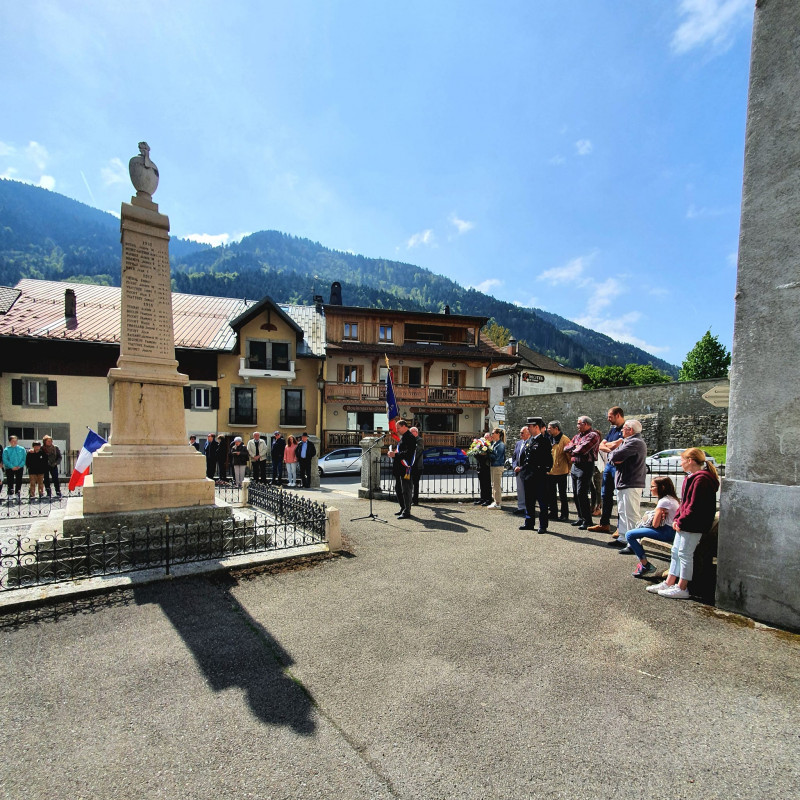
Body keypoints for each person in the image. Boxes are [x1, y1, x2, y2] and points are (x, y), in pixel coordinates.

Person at [648, 448, 720, 600]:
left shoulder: (702, 479)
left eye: (682, 460)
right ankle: (669, 582)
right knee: (676, 552)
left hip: (694, 524)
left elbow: (694, 506)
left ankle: (682, 587)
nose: (680, 463)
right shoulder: (692, 478)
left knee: (685, 554)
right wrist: (677, 519)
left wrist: (680, 520)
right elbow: (684, 503)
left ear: (690, 461)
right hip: (686, 523)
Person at [623, 476, 679, 577]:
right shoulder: (672, 499)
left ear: (661, 487)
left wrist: (657, 514)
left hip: (668, 532)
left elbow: (655, 525)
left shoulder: (664, 502)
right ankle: (643, 562)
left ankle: (645, 565)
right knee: (639, 529)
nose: (650, 489)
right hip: (672, 530)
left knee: (629, 535)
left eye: (653, 486)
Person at [607, 420, 648, 545]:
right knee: (623, 512)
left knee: (631, 514)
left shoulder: (635, 442)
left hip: (631, 482)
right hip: (624, 482)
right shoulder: (628, 442)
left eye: (624, 428)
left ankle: (633, 542)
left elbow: (613, 457)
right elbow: (614, 458)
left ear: (630, 430)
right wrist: (614, 456)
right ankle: (623, 537)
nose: (621, 431)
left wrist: (613, 455)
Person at [589, 407, 626, 533]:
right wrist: (613, 446)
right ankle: (604, 524)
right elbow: (601, 445)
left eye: (610, 416)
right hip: (609, 465)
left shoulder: (626, 429)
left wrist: (611, 446)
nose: (608, 419)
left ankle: (621, 528)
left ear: (618, 415)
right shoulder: (613, 430)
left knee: (621, 497)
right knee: (605, 495)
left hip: (619, 466)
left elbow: (619, 446)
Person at [563, 416, 600, 531]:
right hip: (575, 466)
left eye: (579, 423)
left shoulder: (593, 435)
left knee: (581, 493)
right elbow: (566, 447)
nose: (577, 426)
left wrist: (573, 448)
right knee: (575, 493)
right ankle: (581, 517)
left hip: (585, 466)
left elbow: (583, 450)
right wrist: (574, 447)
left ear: (586, 424)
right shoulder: (578, 436)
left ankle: (587, 520)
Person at [516, 417, 553, 532]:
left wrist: (545, 470)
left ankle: (543, 525)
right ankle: (529, 522)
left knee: (542, 502)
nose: (528, 428)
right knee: (529, 501)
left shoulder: (544, 440)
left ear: (536, 427)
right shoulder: (530, 441)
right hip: (528, 475)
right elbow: (526, 459)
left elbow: (548, 459)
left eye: (530, 426)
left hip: (539, 475)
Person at [388, 419, 416, 519]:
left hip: (405, 468)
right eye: (396, 428)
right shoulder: (403, 437)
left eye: (398, 428)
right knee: (398, 489)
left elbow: (409, 453)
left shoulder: (410, 437)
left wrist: (395, 455)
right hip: (399, 468)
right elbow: (401, 450)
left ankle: (407, 511)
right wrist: (393, 453)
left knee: (406, 490)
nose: (397, 430)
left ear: (404, 426)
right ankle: (403, 507)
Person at [546, 421, 571, 522]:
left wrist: (568, 468)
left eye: (550, 428)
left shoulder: (565, 440)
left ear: (556, 428)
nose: (548, 430)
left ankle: (564, 514)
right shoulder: (549, 438)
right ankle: (553, 512)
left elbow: (569, 456)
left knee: (562, 494)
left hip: (561, 471)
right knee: (551, 493)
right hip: (550, 471)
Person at [511, 426, 529, 515]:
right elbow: (514, 457)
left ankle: (528, 508)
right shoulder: (518, 443)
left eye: (522, 433)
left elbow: (529, 459)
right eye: (520, 432)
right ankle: (521, 507)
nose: (520, 434)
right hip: (517, 470)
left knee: (527, 490)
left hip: (526, 470)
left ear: (528, 433)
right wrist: (514, 466)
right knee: (520, 489)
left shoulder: (531, 443)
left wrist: (521, 467)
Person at [487, 428, 506, 509]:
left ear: (498, 434)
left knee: (496, 485)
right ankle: (495, 501)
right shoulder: (495, 443)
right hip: (494, 466)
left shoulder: (500, 445)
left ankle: (497, 503)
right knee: (494, 485)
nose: (492, 434)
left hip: (497, 466)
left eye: (493, 433)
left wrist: (487, 452)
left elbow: (497, 457)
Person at [3, 435, 26, 499]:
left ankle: (17, 493)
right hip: (10, 468)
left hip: (19, 467)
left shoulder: (22, 449)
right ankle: (10, 493)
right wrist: (11, 466)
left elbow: (24, 459)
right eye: (13, 441)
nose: (14, 442)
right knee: (10, 481)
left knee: (19, 481)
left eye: (16, 441)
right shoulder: (6, 449)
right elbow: (5, 459)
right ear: (10, 441)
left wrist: (20, 466)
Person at [472, 433, 493, 506]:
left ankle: (488, 499)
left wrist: (485, 454)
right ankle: (482, 499)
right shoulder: (479, 444)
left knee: (487, 484)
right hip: (480, 466)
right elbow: (474, 453)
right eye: (485, 437)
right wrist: (477, 452)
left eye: (487, 437)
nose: (486, 439)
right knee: (482, 484)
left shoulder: (491, 446)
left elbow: (490, 456)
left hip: (487, 467)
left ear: (491, 438)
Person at [410, 426, 424, 505]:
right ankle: (410, 499)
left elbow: (417, 452)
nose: (410, 434)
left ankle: (415, 500)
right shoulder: (411, 440)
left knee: (415, 483)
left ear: (416, 432)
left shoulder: (420, 440)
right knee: (409, 483)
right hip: (410, 466)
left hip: (417, 466)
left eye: (411, 432)